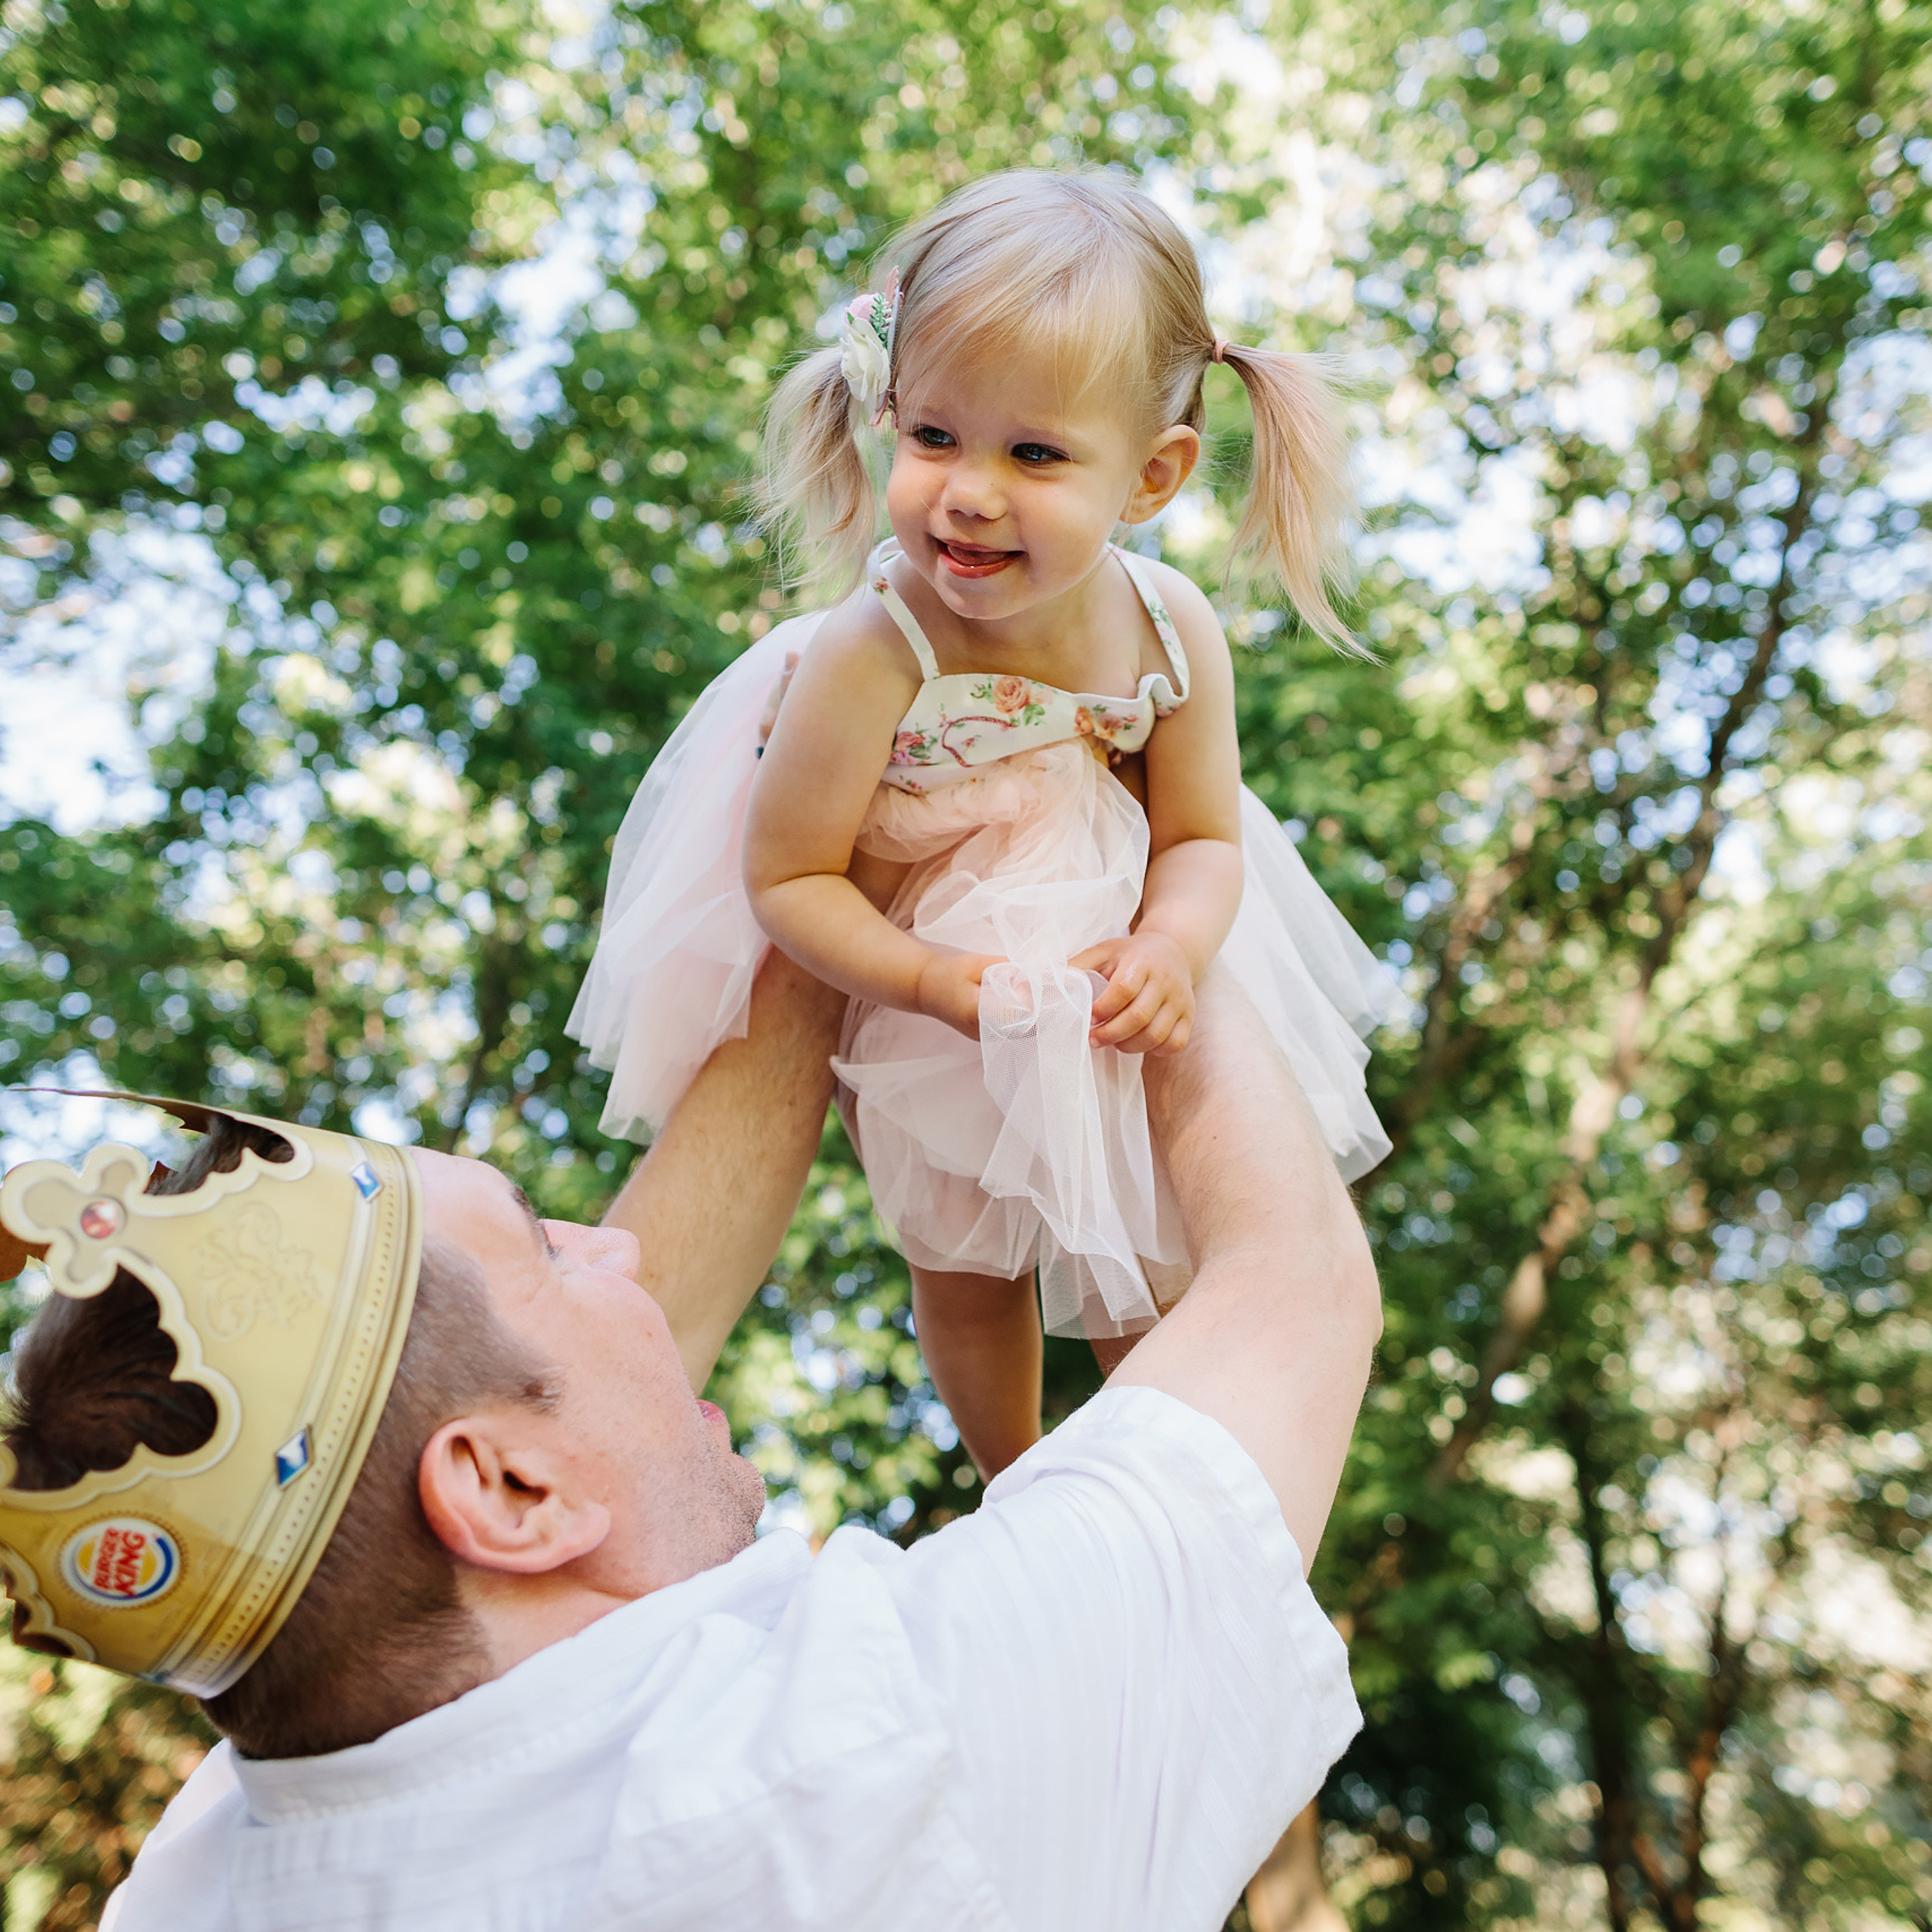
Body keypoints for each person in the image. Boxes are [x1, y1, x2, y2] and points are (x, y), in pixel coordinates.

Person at [1, 954, 1380, 1932]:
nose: (615, 1246)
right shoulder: (865, 1760)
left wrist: (827, 925)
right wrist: (1109, 864)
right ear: (504, 1491)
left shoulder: (209, 1875)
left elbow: (567, 1401)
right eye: (549, 1247)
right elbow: (1294, 1289)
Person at [568, 168, 1396, 1481]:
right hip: (917, 940)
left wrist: (1173, 948)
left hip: (1094, 923)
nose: (968, 492)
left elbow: (1202, 837)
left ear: (1152, 476)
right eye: (935, 436)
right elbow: (788, 876)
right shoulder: (877, 641)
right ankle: (1011, 1470)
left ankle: (1160, 1480)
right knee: (962, 1261)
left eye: (1036, 455)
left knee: (1153, 1242)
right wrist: (932, 982)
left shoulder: (1175, 628)